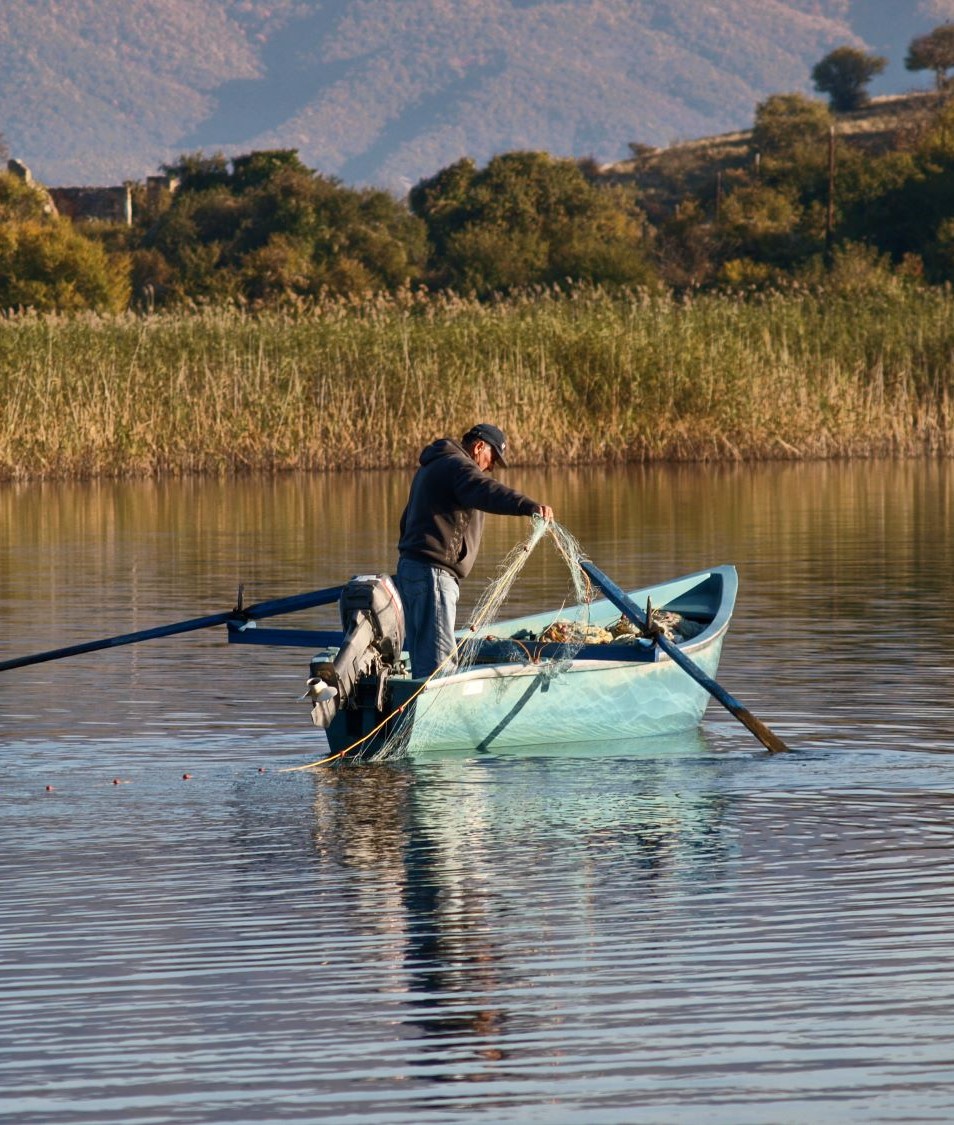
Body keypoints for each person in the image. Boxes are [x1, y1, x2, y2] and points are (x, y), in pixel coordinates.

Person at [396, 423, 554, 678]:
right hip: (433, 575)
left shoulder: (431, 467)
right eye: (492, 458)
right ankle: (436, 717)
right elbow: (486, 491)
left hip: (410, 570)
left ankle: (415, 711)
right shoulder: (458, 466)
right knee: (439, 669)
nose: (491, 467)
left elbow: (405, 522)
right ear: (479, 446)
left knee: (422, 660)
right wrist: (528, 506)